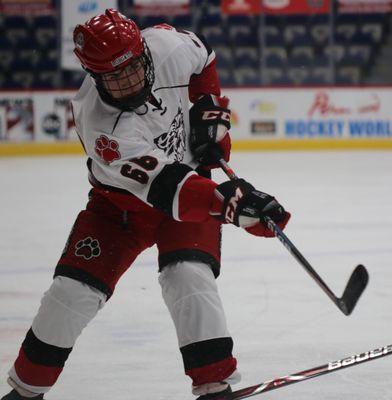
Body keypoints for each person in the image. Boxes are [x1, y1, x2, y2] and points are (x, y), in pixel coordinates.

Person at [2, 9, 290, 400]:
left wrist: (205, 104)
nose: (128, 81)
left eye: (133, 68)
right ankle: (26, 390)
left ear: (143, 53)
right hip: (119, 209)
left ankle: (215, 386)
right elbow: (169, 189)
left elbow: (203, 57)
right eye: (113, 77)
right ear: (95, 76)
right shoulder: (99, 122)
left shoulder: (167, 46)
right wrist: (231, 204)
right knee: (71, 294)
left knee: (188, 276)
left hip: (188, 184)